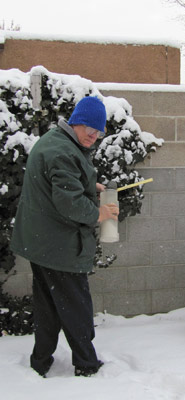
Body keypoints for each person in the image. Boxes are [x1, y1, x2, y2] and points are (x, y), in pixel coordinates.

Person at [10, 96, 119, 377]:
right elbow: (70, 203)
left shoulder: (56, 141)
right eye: (89, 130)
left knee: (47, 305)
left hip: (42, 243)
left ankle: (40, 360)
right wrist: (100, 213)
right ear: (76, 122)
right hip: (59, 246)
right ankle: (86, 365)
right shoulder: (63, 152)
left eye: (99, 133)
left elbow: (59, 182)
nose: (93, 137)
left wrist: (87, 184)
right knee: (76, 308)